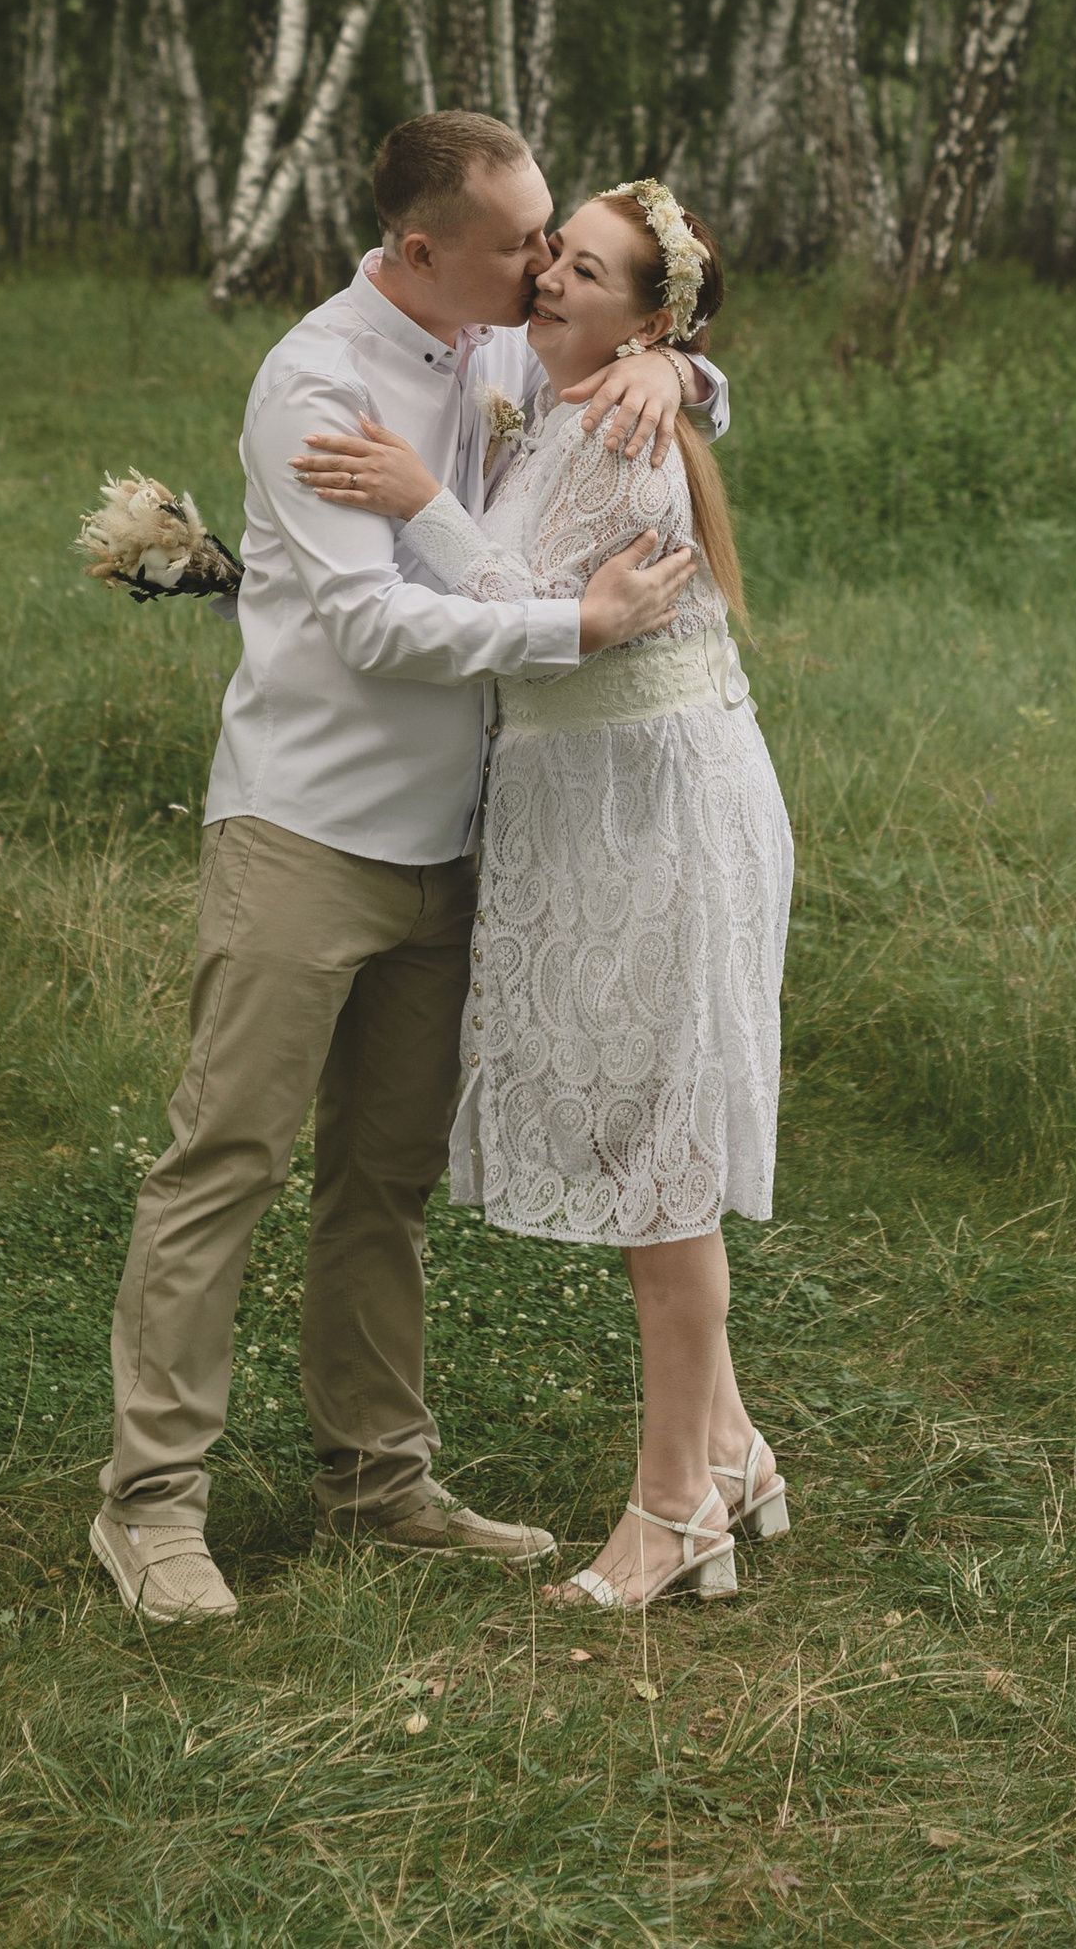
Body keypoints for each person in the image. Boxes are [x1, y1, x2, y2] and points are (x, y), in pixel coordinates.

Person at [92, 111, 728, 1623]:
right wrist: (578, 629)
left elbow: (620, 374)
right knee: (225, 1163)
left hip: (458, 846)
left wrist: (679, 362)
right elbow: (378, 627)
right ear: (423, 250)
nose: (541, 269)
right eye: (520, 246)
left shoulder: (502, 338)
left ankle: (378, 1481)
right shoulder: (316, 381)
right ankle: (150, 1509)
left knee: (383, 1180)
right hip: (307, 832)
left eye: (551, 249)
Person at [293, 179, 791, 1617]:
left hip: (658, 808)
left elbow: (520, 611)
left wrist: (418, 503)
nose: (552, 280)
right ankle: (736, 1449)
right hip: (603, 801)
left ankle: (673, 1506)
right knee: (651, 1125)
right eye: (553, 254)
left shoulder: (626, 433)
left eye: (589, 271)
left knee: (660, 1157)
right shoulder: (577, 390)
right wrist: (673, 357)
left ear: (647, 314)